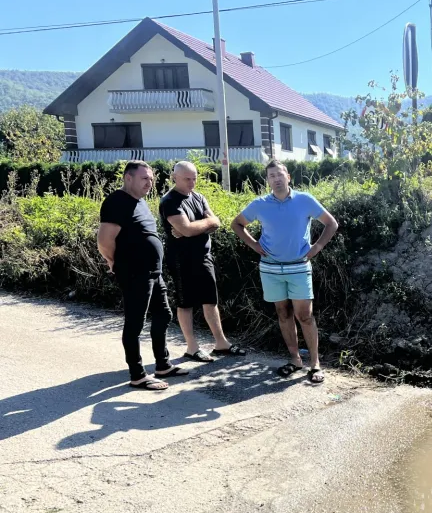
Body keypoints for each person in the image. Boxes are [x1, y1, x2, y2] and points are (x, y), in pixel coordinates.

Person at [230, 159, 339, 383]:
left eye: (279, 174)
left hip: (299, 267)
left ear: (288, 176)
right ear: (267, 180)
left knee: (305, 315)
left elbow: (331, 223)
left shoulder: (304, 200)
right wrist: (254, 245)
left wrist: (317, 247)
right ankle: (295, 359)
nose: (276, 179)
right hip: (270, 269)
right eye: (271, 176)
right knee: (283, 313)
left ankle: (315, 364)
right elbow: (236, 224)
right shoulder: (260, 204)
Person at [97, 161, 187, 390]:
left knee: (164, 314)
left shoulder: (140, 202)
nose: (150, 182)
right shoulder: (116, 202)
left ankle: (162, 364)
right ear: (128, 178)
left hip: (152, 271)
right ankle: (137, 375)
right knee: (135, 323)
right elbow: (104, 241)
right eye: (144, 178)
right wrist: (115, 262)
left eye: (151, 179)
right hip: (135, 272)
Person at [159, 161, 246, 362]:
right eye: (187, 179)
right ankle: (192, 347)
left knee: (210, 300)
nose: (192, 182)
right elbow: (188, 229)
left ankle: (221, 343)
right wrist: (197, 227)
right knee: (186, 303)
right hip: (181, 260)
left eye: (194, 178)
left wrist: (194, 227)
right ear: (175, 177)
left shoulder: (199, 197)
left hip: (204, 256)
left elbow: (215, 222)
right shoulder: (169, 201)